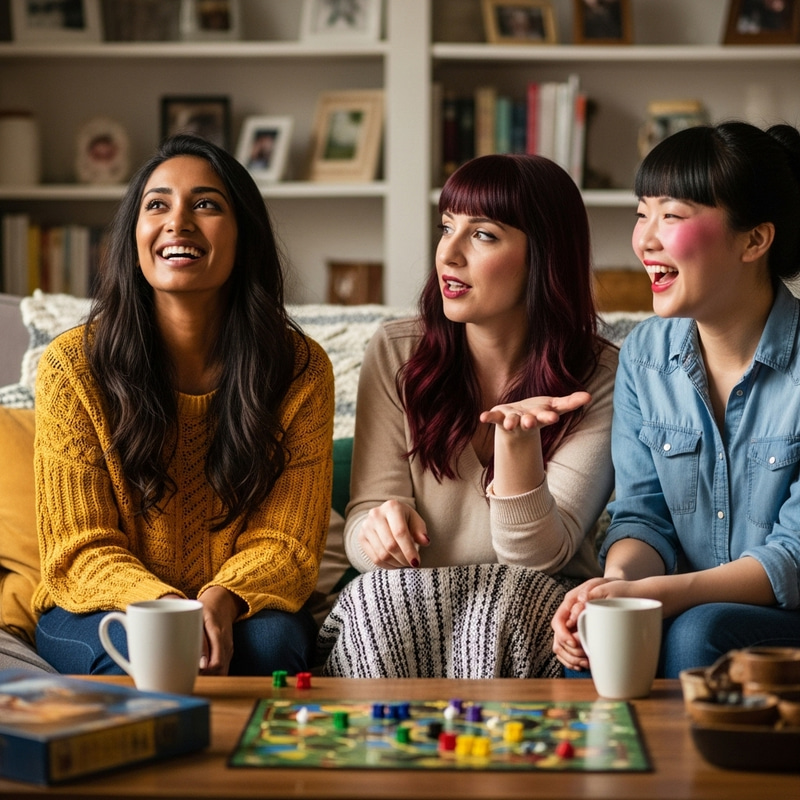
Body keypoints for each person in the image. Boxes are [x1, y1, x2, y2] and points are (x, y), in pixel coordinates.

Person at [33, 134, 334, 677]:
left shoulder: (300, 370)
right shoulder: (73, 368)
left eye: (206, 204)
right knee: (142, 660)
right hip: (100, 602)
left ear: (243, 235)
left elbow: (287, 543)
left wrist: (221, 598)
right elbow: (79, 547)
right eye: (157, 205)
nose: (178, 222)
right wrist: (167, 609)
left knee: (270, 648)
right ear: (134, 236)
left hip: (239, 603)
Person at [318, 153, 618, 678]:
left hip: (533, 608)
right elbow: (364, 523)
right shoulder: (397, 351)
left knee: (497, 608)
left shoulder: (602, 374)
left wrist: (517, 440)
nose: (448, 254)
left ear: (543, 256)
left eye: (482, 235)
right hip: (407, 603)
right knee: (375, 602)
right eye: (446, 227)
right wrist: (378, 533)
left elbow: (538, 559)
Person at [552, 121, 800, 679]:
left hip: (781, 610)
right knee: (597, 638)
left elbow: (794, 557)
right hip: (684, 600)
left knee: (697, 633)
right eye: (642, 214)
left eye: (672, 215)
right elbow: (642, 515)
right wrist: (616, 588)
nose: (645, 240)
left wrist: (665, 595)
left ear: (754, 240)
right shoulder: (644, 355)